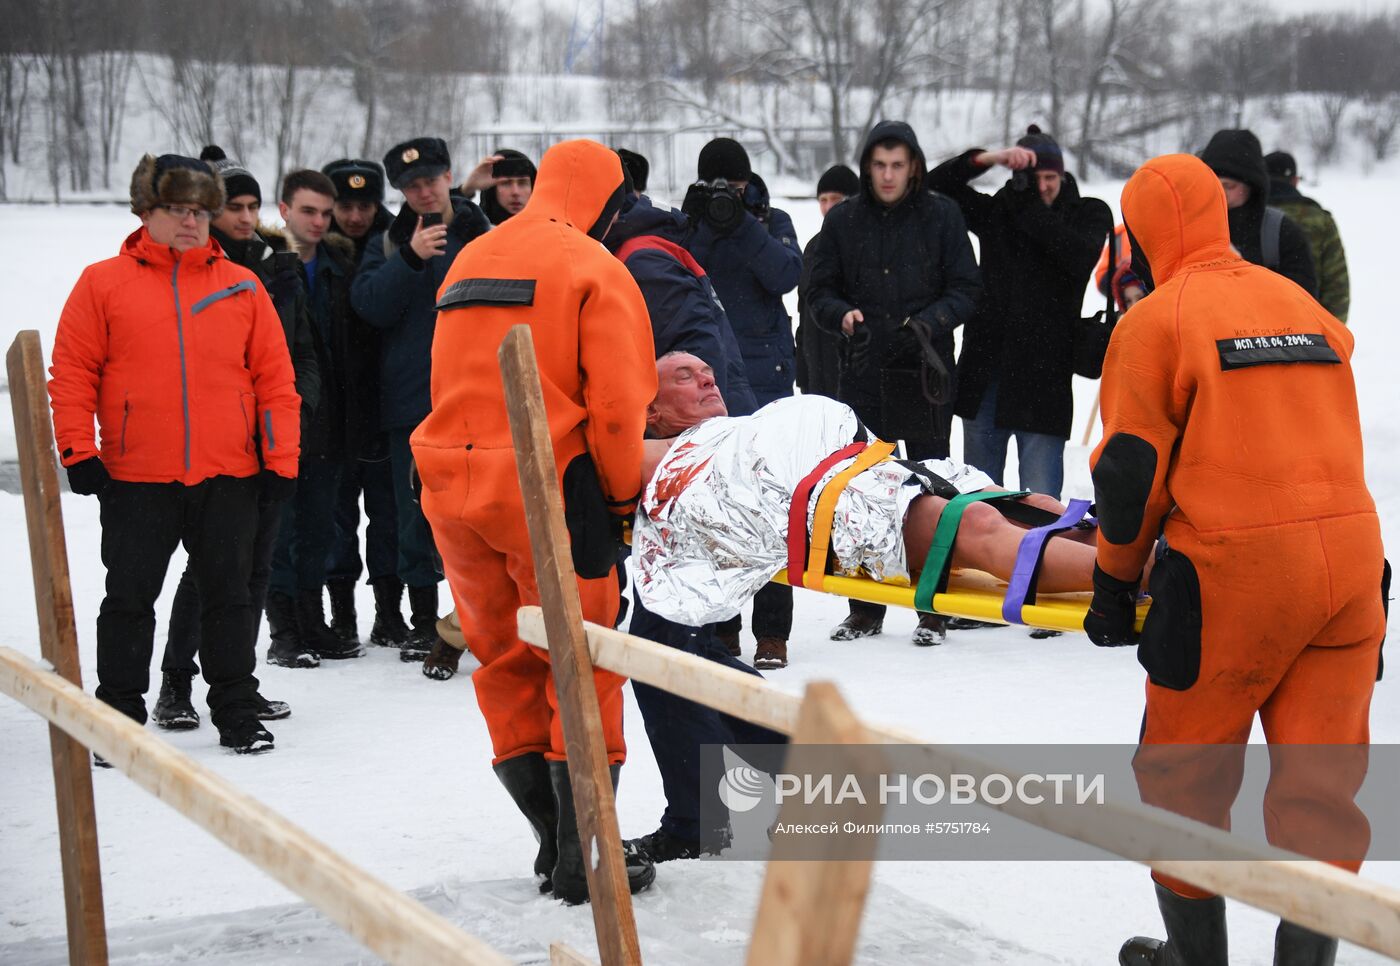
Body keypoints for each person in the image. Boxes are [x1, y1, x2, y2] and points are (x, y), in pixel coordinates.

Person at [1082, 153, 1385, 966]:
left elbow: (1129, 475)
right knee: (1321, 794)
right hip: (1352, 575)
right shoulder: (1302, 306)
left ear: (1141, 237)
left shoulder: (1155, 322)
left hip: (1232, 586)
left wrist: (1113, 586)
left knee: (1182, 785)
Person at [410, 138, 657, 903]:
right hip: (548, 490)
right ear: (610, 204)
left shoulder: (468, 259)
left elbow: (445, 372)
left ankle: (554, 840)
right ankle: (586, 852)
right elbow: (618, 412)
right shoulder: (594, 267)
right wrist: (618, 504)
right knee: (582, 665)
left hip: (450, 484)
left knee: (503, 659)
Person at [49, 153, 302, 755]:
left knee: (229, 597)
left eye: (199, 211)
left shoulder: (242, 286)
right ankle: (117, 718)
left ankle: (237, 708)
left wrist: (281, 460)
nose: (191, 223)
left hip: (230, 475)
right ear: (146, 211)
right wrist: (78, 450)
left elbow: (275, 378)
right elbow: (72, 374)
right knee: (130, 600)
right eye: (176, 210)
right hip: (137, 476)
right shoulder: (102, 282)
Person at [633, 354, 1100, 629]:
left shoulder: (740, 428)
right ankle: (1130, 577)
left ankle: (1136, 550)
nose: (707, 378)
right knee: (973, 524)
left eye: (706, 370)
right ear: (652, 411)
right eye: (684, 377)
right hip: (837, 506)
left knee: (1024, 505)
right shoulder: (666, 452)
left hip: (873, 465)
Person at [149, 147, 310, 729]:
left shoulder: (278, 264)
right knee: (209, 573)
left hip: (275, 436)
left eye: (252, 206)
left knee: (256, 571)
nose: (245, 217)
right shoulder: (190, 273)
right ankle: (175, 683)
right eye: (233, 207)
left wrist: (298, 417)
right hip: (219, 449)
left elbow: (301, 354)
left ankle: (237, 682)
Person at [806, 120, 982, 646]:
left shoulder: (942, 216)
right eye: (879, 166)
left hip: (923, 371)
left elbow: (967, 288)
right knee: (863, 493)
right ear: (867, 167)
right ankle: (867, 606)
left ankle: (933, 607)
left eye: (897, 166)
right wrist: (841, 315)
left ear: (914, 167)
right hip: (862, 372)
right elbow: (817, 291)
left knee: (931, 489)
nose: (887, 176)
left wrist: (931, 321)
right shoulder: (843, 221)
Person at [351, 137, 491, 661]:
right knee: (414, 516)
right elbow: (369, 306)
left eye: (431, 181)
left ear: (448, 176)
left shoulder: (478, 229)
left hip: (474, 399)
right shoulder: (389, 240)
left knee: (477, 515)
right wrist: (409, 259)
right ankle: (420, 619)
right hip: (411, 401)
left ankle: (475, 617)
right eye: (411, 186)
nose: (424, 192)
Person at [927, 126, 1113, 501]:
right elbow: (936, 186)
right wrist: (986, 159)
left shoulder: (1088, 212)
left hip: (1045, 379)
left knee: (1042, 506)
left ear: (1062, 175)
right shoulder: (999, 210)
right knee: (977, 500)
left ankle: (1041, 561)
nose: (1043, 187)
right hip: (986, 371)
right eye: (1035, 178)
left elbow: (1075, 255)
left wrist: (1023, 200)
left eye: (1050, 178)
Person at [684, 137, 804, 669]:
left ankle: (772, 631)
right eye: (718, 186)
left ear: (747, 180)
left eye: (733, 184)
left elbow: (786, 276)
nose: (726, 194)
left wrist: (743, 222)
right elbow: (684, 278)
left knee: (773, 506)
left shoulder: (770, 219)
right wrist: (701, 221)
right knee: (717, 510)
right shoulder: (692, 224)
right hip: (711, 381)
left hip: (767, 376)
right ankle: (723, 626)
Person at [264, 169, 369, 664]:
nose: (319, 221)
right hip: (279, 417)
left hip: (330, 420)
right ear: (284, 209)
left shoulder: (337, 266)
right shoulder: (262, 267)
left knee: (319, 527)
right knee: (281, 530)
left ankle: (312, 621)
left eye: (325, 213)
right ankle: (284, 630)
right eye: (308, 210)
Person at [320, 158, 405, 647]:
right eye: (345, 205)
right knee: (336, 520)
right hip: (332, 410)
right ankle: (341, 613)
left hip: (383, 404)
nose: (355, 216)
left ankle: (390, 612)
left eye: (365, 205)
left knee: (388, 517)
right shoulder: (311, 254)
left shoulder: (395, 245)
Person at [1191, 129, 1317, 298]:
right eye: (1213, 183)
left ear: (1251, 186)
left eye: (1229, 186)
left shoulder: (1281, 233)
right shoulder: (1188, 227)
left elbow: (1303, 306)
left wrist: (1243, 274)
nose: (1220, 192)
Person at [796, 163, 860, 400]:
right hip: (817, 377)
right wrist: (802, 372)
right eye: (822, 200)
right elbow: (805, 311)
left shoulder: (869, 246)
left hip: (855, 375)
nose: (827, 206)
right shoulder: (814, 246)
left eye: (835, 198)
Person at [1265, 150, 1350, 323]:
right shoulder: (1320, 220)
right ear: (1295, 181)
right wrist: (1331, 339)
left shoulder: (1245, 216)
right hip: (1308, 332)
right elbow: (1337, 285)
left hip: (1249, 336)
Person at [478, 148, 535, 224]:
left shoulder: (550, 231)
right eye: (506, 183)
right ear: (492, 189)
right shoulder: (474, 231)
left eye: (522, 183)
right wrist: (465, 190)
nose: (515, 192)